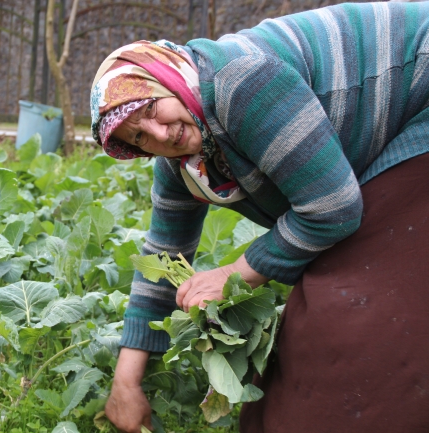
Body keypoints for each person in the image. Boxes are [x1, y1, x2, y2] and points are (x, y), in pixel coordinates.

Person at [90, 2, 429, 433]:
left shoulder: (240, 83)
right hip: (383, 142)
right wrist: (126, 381)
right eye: (138, 136)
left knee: (354, 312)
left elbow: (333, 208)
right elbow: (162, 257)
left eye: (152, 110)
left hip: (421, 89)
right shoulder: (186, 166)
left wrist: (235, 272)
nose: (160, 133)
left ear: (168, 79)